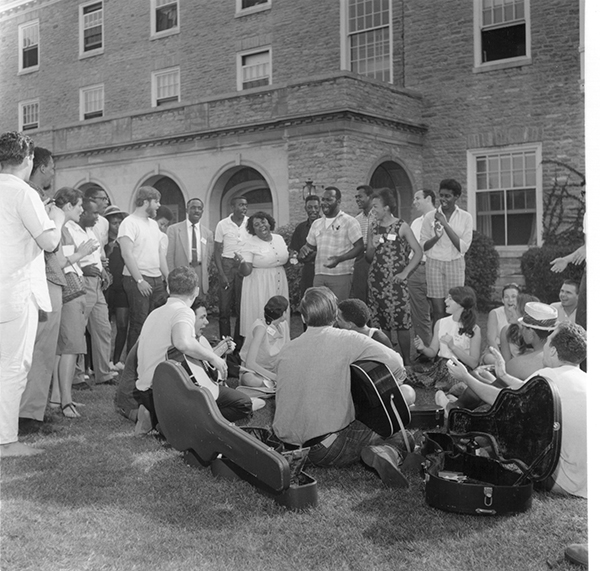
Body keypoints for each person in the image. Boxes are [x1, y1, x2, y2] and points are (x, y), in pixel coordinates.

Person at [273, 287, 412, 487]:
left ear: (303, 317)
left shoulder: (286, 348)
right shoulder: (348, 339)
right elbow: (396, 361)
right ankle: (386, 451)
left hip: (289, 448)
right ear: (335, 316)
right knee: (401, 434)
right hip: (326, 447)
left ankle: (379, 451)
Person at [447, 321, 587, 499]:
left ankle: (468, 440)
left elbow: (501, 400)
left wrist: (465, 376)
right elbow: (523, 389)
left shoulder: (549, 377)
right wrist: (503, 375)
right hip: (588, 483)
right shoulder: (586, 380)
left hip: (564, 482)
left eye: (548, 340)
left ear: (553, 350)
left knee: (507, 420)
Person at [0, 132, 64, 456]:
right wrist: (56, 219)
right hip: (13, 292)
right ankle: (6, 441)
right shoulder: (22, 192)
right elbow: (49, 242)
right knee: (13, 366)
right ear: (27, 160)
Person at [134, 266, 250, 433]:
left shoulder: (155, 313)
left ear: (168, 288)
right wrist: (213, 358)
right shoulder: (183, 311)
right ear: (196, 291)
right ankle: (181, 426)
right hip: (165, 394)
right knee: (243, 404)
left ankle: (160, 418)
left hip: (146, 391)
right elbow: (183, 343)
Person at [19, 147, 67, 435]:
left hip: (32, 279)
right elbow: (51, 242)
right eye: (52, 167)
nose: (53, 172)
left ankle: (29, 410)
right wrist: (56, 217)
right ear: (42, 167)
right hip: (45, 278)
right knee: (41, 349)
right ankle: (30, 415)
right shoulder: (32, 196)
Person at [444, 302, 558, 413]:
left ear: (531, 332)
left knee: (477, 378)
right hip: (544, 406)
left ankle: (454, 406)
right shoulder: (561, 355)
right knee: (483, 375)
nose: (521, 330)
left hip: (519, 410)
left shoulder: (520, 364)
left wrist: (465, 376)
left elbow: (491, 394)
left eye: (523, 327)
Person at [50, 188, 98, 418]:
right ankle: (65, 402)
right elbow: (60, 262)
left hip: (68, 291)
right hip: (68, 293)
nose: (82, 209)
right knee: (69, 348)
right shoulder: (58, 228)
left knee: (63, 349)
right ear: (68, 206)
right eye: (79, 205)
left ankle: (57, 398)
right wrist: (83, 252)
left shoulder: (62, 228)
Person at [366, 187, 422, 363]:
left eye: (376, 206)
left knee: (401, 322)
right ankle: (389, 361)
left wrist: (405, 272)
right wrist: (372, 246)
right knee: (381, 322)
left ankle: (406, 362)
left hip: (396, 283)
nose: (372, 210)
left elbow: (418, 252)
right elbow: (368, 257)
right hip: (376, 282)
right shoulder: (372, 227)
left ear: (387, 207)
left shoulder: (401, 226)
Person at [118, 186, 169, 351]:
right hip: (137, 280)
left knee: (157, 323)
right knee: (139, 323)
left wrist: (167, 277)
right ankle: (133, 365)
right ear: (145, 202)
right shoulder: (129, 223)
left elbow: (160, 255)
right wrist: (139, 280)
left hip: (156, 280)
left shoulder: (154, 225)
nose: (159, 205)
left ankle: (151, 360)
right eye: (156, 201)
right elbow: (127, 254)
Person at [407, 286, 481, 395]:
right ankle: (450, 387)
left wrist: (453, 347)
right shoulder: (440, 323)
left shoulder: (474, 329)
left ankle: (455, 388)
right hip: (441, 367)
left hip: (460, 369)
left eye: (450, 298)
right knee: (404, 372)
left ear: (460, 303)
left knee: (456, 382)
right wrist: (423, 348)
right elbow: (432, 352)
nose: (445, 301)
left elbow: (474, 363)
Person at [420, 179, 473, 325]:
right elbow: (423, 246)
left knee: (456, 309)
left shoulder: (465, 217)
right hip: (434, 264)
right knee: (438, 310)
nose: (443, 199)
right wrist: (436, 237)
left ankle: (455, 342)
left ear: (456, 197)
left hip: (455, 263)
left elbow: (463, 247)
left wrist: (445, 224)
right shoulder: (430, 217)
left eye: (447, 196)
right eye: (441, 195)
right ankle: (438, 346)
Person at [299, 186, 363, 302]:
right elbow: (309, 248)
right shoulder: (317, 223)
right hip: (319, 276)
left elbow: (359, 247)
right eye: (323, 199)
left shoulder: (349, 221)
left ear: (338, 202)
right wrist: (303, 253)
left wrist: (340, 258)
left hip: (341, 275)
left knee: (338, 312)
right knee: (320, 312)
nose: (324, 203)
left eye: (329, 200)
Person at [239, 212, 289, 338]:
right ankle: (260, 344)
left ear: (269, 222)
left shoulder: (279, 238)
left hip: (279, 279)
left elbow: (283, 260)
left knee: (280, 310)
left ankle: (280, 342)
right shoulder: (249, 243)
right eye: (256, 224)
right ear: (252, 229)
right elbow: (246, 271)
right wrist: (241, 262)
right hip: (259, 284)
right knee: (261, 311)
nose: (261, 226)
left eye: (263, 222)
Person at [214, 196, 250, 345]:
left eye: (245, 205)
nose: (244, 208)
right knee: (224, 309)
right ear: (232, 207)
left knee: (242, 308)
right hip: (227, 265)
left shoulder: (250, 223)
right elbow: (216, 251)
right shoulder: (222, 224)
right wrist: (222, 274)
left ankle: (239, 343)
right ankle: (225, 343)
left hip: (243, 265)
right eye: (241, 205)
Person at [167, 198, 214, 300]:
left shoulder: (208, 233)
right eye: (193, 208)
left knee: (199, 304)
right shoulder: (174, 230)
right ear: (187, 210)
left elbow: (209, 257)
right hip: (181, 273)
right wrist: (171, 278)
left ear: (202, 212)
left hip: (200, 273)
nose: (196, 210)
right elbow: (169, 256)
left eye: (199, 208)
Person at [239, 296, 290, 388]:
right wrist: (275, 377)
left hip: (274, 369)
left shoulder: (284, 325)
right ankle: (271, 385)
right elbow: (250, 364)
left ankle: (273, 386)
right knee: (248, 379)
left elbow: (288, 352)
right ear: (283, 313)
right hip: (255, 371)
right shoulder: (260, 328)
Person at [408, 189, 436, 347]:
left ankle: (441, 352)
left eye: (417, 198)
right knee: (419, 314)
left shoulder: (440, 219)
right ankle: (425, 350)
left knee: (440, 312)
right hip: (416, 271)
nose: (414, 202)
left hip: (435, 269)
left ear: (429, 199)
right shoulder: (416, 223)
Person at [104, 205, 129, 368]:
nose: (118, 226)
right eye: (114, 223)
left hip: (122, 287)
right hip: (106, 288)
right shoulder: (102, 241)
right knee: (103, 326)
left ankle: (116, 359)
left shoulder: (125, 241)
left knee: (122, 324)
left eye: (120, 222)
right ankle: (101, 360)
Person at [289, 194, 320, 300]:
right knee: (308, 300)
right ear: (305, 208)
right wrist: (294, 257)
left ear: (320, 207)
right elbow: (293, 248)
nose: (313, 210)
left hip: (323, 269)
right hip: (307, 270)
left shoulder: (326, 225)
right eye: (310, 207)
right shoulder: (301, 228)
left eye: (316, 207)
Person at [481, 282, 521, 363]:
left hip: (517, 349)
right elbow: (491, 340)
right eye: (506, 297)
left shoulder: (522, 313)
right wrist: (501, 358)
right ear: (502, 300)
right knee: (490, 359)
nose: (510, 300)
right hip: (497, 348)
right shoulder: (495, 313)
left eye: (513, 297)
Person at [351, 184, 374, 304]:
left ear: (370, 197)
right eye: (356, 197)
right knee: (361, 296)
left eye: (360, 196)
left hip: (376, 260)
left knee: (375, 296)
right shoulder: (356, 220)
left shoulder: (379, 217)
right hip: (360, 261)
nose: (357, 200)